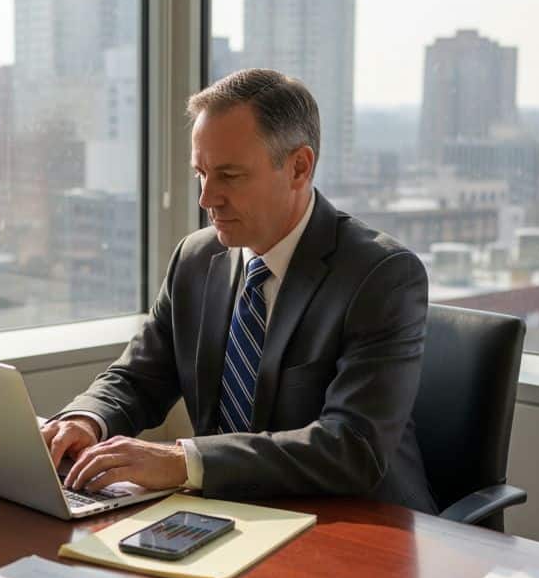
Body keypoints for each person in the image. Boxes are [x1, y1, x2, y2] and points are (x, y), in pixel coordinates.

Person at [41, 68, 435, 512]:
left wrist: (180, 460)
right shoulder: (195, 259)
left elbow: (351, 447)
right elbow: (138, 377)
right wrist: (86, 418)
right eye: (201, 174)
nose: (207, 199)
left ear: (298, 168)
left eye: (229, 175)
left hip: (357, 529)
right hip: (227, 515)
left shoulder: (381, 276)